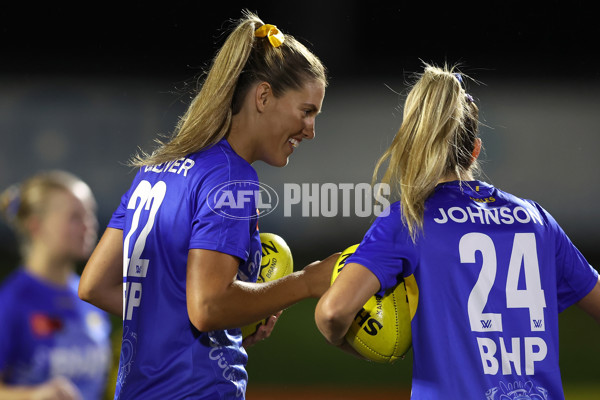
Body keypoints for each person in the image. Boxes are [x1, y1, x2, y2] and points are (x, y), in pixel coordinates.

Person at [77, 10, 338, 400]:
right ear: (263, 96)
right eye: (307, 111)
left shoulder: (157, 169)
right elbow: (209, 306)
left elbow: (94, 286)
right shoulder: (232, 177)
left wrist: (225, 327)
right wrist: (308, 281)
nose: (311, 130)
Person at [315, 63, 600, 399]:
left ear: (414, 147)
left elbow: (334, 311)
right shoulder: (535, 219)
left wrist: (348, 342)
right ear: (475, 150)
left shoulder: (408, 220)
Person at [0, 170, 112, 400]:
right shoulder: (12, 301)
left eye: (90, 214)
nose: (89, 225)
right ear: (36, 226)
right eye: (75, 217)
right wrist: (33, 396)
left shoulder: (91, 294)